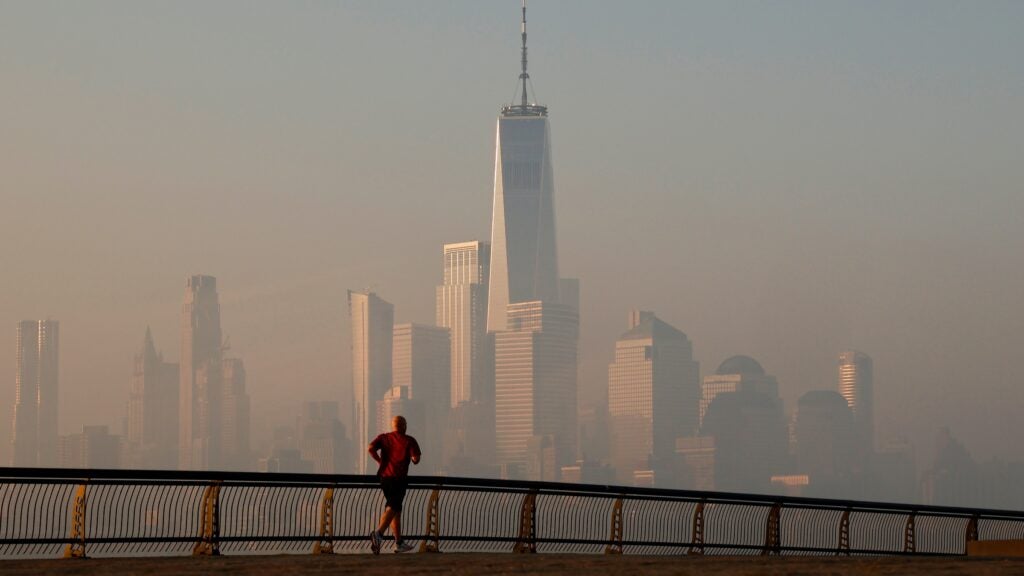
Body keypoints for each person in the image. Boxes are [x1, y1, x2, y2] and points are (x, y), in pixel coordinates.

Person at [368, 415, 421, 554]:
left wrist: (380, 462)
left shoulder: (384, 438)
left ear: (393, 426)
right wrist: (413, 458)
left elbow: (370, 448)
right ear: (404, 426)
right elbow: (416, 459)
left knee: (395, 509)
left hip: (384, 478)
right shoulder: (409, 440)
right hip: (399, 479)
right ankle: (378, 534)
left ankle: (398, 542)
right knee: (393, 506)